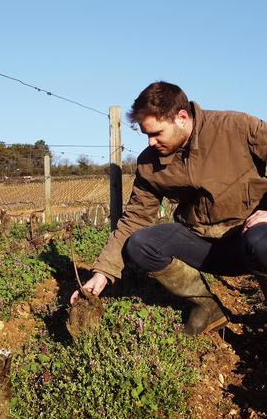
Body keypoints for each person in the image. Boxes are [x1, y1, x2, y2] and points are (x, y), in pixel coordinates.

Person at [70, 81, 267, 335]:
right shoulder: (149, 165)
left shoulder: (237, 128)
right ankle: (207, 307)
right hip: (203, 246)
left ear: (181, 117)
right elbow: (134, 218)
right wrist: (103, 273)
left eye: (156, 133)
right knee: (140, 243)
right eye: (146, 135)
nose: (151, 143)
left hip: (249, 237)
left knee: (262, 243)